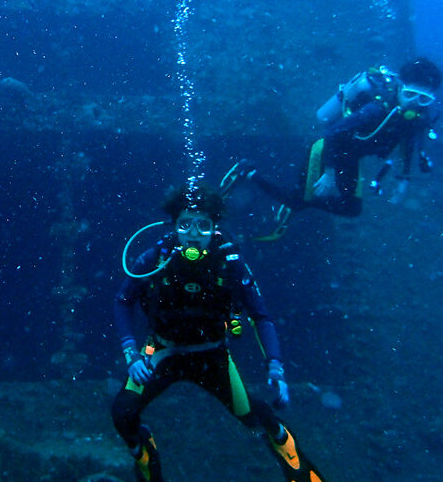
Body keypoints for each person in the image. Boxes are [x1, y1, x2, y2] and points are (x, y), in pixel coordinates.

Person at [112, 183, 327, 482]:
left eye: (203, 225)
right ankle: (143, 452)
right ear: (174, 226)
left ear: (214, 228)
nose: (193, 233)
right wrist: (131, 354)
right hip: (160, 351)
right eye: (185, 224)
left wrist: (275, 367)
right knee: (122, 413)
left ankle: (282, 441)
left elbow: (260, 316)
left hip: (211, 355)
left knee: (251, 416)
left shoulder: (230, 263)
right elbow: (123, 301)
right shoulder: (154, 259)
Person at [239, 58, 441, 238]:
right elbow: (332, 134)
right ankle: (248, 172)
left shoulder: (417, 119)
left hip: (350, 157)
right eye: (410, 94)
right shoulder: (376, 110)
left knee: (352, 209)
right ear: (399, 88)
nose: (415, 103)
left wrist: (403, 178)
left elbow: (409, 145)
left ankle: (305, 200)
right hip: (328, 149)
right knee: (295, 201)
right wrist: (329, 173)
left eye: (424, 99)